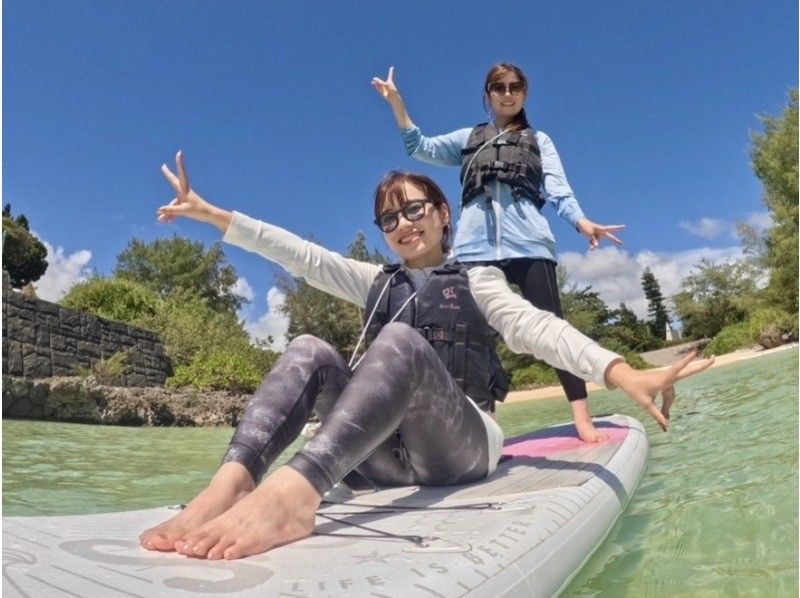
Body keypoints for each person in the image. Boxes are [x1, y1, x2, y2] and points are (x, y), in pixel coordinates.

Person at [139, 151, 711, 561]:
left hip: (458, 451)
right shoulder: (375, 281)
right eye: (389, 218)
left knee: (400, 344)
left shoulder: (480, 280)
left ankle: (294, 496)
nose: (402, 225)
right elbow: (302, 256)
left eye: (413, 210)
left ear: (442, 214)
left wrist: (619, 370)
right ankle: (232, 483)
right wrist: (216, 217)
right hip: (380, 461)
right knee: (309, 348)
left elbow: (537, 327)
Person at [372, 63, 625, 443]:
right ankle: (477, 425)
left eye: (516, 86)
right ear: (487, 94)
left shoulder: (540, 141)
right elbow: (418, 147)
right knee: (468, 336)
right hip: (475, 249)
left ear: (524, 92)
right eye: (499, 87)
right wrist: (397, 103)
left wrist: (582, 222)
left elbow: (558, 189)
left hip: (529, 244)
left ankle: (583, 420)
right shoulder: (468, 138)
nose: (508, 93)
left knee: (554, 327)